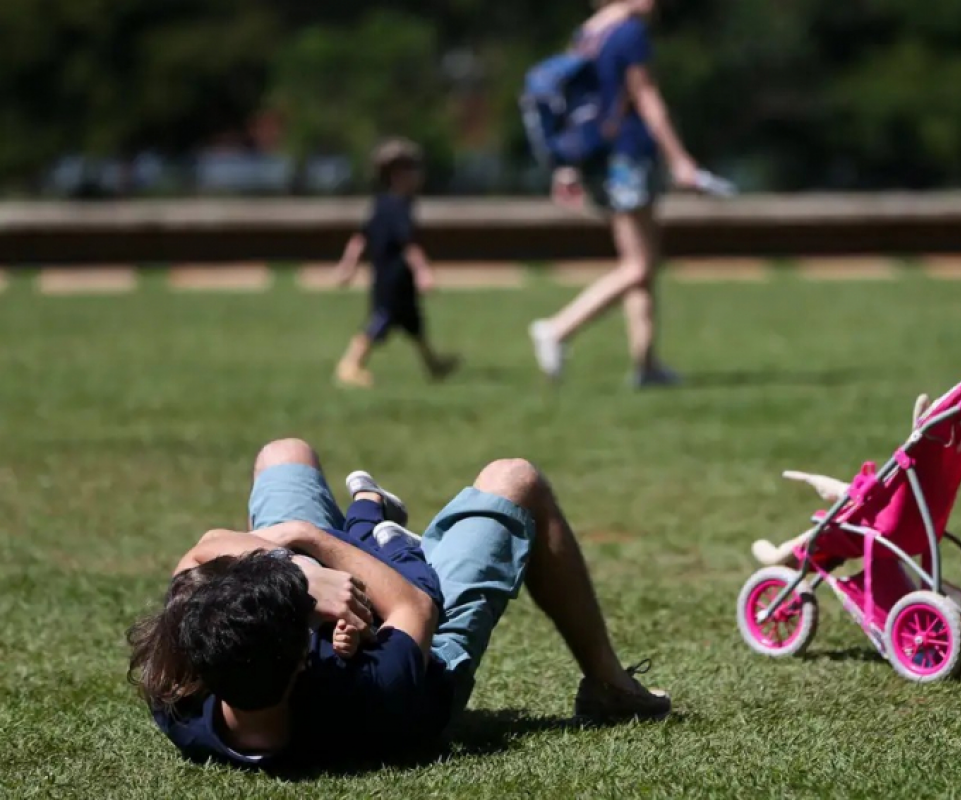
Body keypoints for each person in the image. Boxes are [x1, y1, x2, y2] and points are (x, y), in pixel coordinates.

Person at [127, 438, 669, 769]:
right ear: (301, 657)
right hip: (421, 640)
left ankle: (353, 523)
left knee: (284, 454)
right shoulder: (373, 693)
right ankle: (610, 688)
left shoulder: (179, 693)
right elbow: (412, 606)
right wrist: (309, 545)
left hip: (281, 629)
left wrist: (294, 571)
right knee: (515, 478)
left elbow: (201, 552)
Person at [529, 0, 701, 388]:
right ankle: (557, 329)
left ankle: (647, 364)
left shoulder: (589, 32)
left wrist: (567, 166)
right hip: (629, 155)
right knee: (638, 266)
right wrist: (680, 159)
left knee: (640, 261)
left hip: (600, 158)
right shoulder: (629, 33)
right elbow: (646, 98)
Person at [334, 139, 459, 388]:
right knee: (379, 323)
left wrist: (348, 266)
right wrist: (424, 272)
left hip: (395, 278)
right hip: (392, 279)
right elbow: (409, 245)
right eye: (413, 170)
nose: (418, 176)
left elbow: (360, 238)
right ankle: (349, 365)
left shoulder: (381, 204)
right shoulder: (399, 207)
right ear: (397, 175)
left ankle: (434, 365)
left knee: (415, 325)